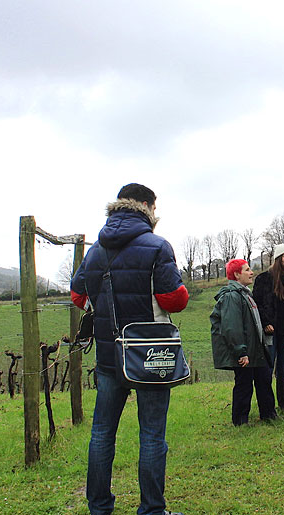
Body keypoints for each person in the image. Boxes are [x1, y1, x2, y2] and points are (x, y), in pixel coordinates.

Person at [70, 183, 189, 515]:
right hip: (149, 357)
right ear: (148, 207)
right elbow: (174, 300)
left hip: (109, 358)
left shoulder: (94, 251)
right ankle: (152, 510)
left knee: (102, 434)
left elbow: (77, 296)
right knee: (152, 435)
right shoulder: (157, 246)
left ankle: (99, 508)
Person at [210, 259, 277, 426]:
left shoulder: (245, 294)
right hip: (245, 351)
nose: (251, 272)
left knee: (264, 380)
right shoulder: (232, 296)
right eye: (247, 270)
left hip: (255, 350)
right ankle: (240, 421)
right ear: (237, 274)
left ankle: (269, 415)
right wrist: (241, 352)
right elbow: (232, 327)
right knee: (244, 385)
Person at [252, 243, 284, 412]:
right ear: (277, 258)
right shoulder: (263, 279)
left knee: (283, 370)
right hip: (270, 332)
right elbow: (258, 304)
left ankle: (283, 405)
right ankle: (267, 408)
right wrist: (266, 323)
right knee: (267, 371)